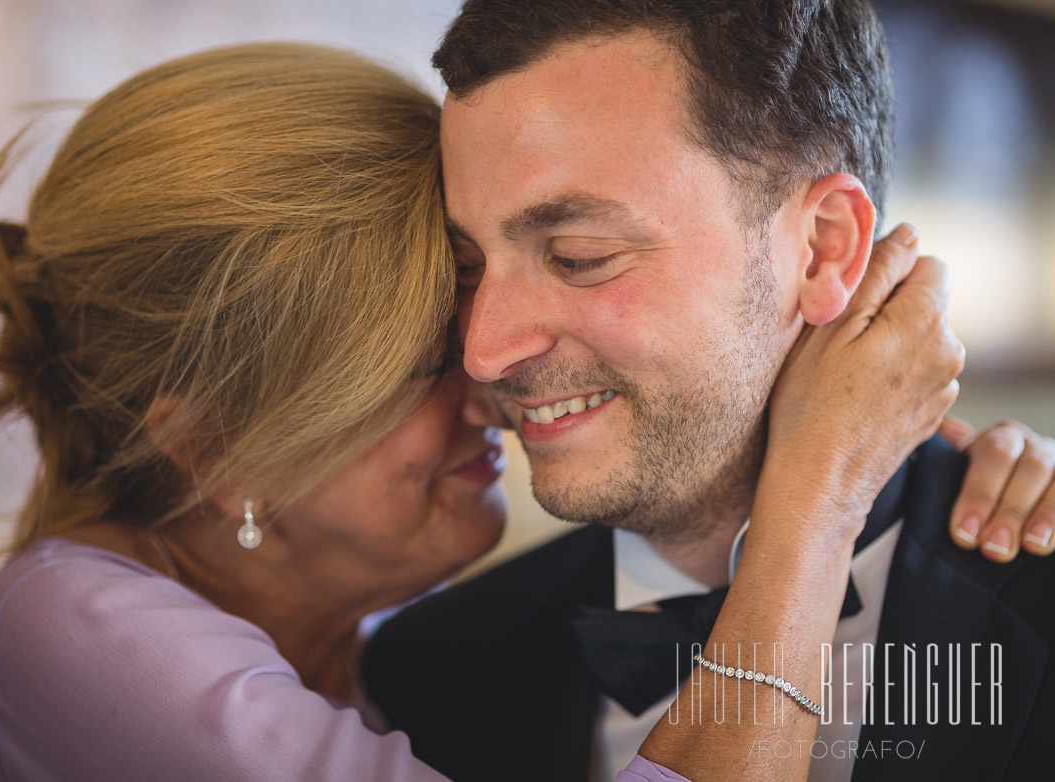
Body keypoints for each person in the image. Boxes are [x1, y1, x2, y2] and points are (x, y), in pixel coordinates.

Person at [0, 37, 1043, 782]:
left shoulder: (390, 653)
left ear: (824, 246)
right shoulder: (69, 642)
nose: (487, 370)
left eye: (577, 254)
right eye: (411, 359)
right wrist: (820, 487)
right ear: (205, 439)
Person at [361, 2, 1055, 781]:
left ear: (826, 249)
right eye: (466, 268)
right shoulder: (428, 673)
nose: (484, 353)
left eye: (578, 255)